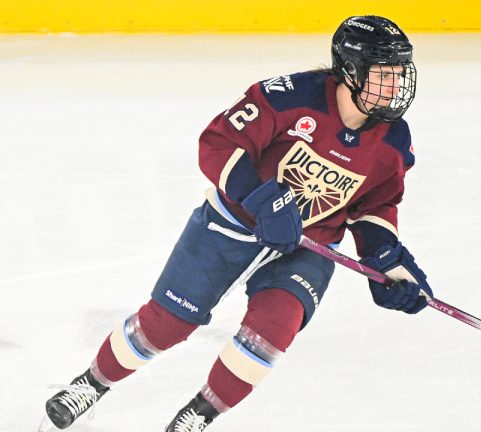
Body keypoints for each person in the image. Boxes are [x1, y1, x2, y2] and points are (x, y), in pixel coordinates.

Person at [40, 15, 433, 432]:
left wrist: (386, 262)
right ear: (350, 71)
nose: (394, 87)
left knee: (273, 330)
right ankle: (91, 385)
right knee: (168, 322)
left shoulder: (393, 141)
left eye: (398, 74)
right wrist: (264, 199)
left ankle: (200, 413)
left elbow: (375, 204)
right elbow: (219, 142)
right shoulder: (288, 98)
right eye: (382, 74)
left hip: (305, 247)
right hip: (230, 225)